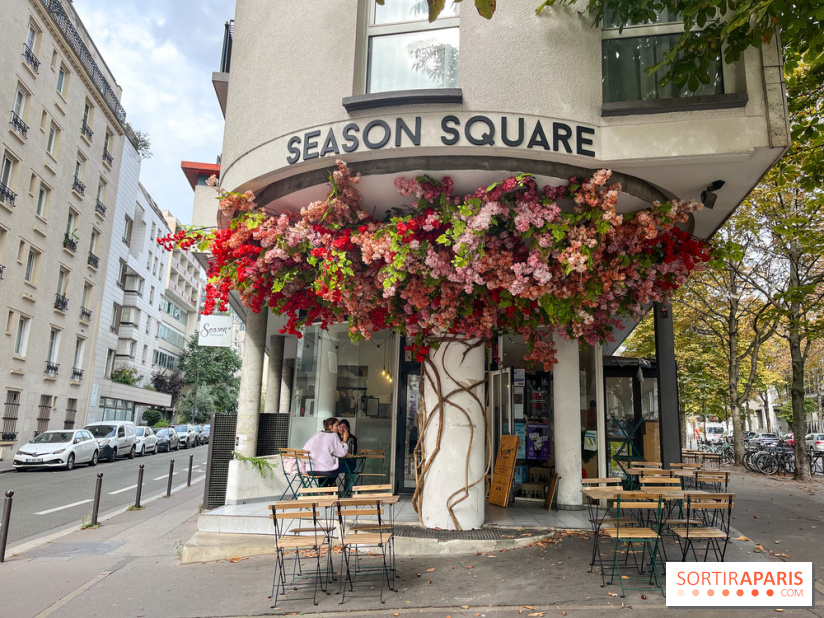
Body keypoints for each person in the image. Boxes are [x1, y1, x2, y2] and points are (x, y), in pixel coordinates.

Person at [302, 417, 349, 486]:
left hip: (311, 470)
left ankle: (323, 490)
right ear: (330, 427)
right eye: (337, 425)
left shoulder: (317, 434)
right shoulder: (334, 436)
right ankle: (328, 490)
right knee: (335, 469)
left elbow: (304, 450)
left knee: (327, 469)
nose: (339, 428)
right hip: (325, 471)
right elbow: (342, 453)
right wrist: (345, 440)